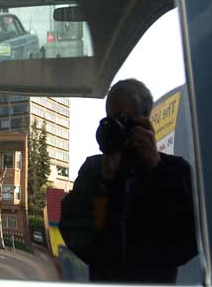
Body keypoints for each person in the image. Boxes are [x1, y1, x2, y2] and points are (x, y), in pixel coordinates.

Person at [59, 79, 197, 283]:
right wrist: (103, 181)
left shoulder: (175, 171)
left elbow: (187, 243)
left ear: (146, 121)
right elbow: (76, 237)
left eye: (125, 119)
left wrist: (157, 168)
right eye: (113, 119)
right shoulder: (94, 170)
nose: (118, 126)